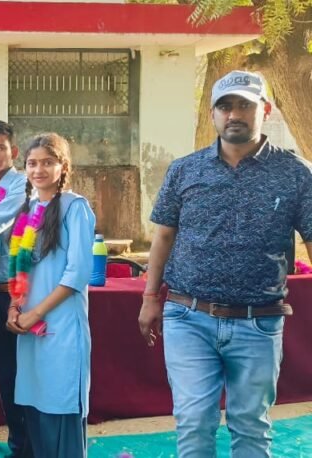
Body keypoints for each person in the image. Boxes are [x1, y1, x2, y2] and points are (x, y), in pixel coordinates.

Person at [139, 70, 312, 457]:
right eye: (225, 106)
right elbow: (163, 236)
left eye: (244, 106)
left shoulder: (297, 173)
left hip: (259, 322)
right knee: (193, 422)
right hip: (188, 316)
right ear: (213, 114)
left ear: (265, 110)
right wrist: (150, 297)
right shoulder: (185, 169)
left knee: (251, 426)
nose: (234, 114)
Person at [5, 133, 94, 457]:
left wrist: (35, 313)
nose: (38, 170)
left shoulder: (75, 208)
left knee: (60, 409)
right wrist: (15, 308)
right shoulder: (28, 209)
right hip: (30, 330)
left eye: (47, 162)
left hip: (61, 328)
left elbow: (77, 274)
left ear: (63, 166)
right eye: (32, 163)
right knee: (36, 409)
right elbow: (19, 270)